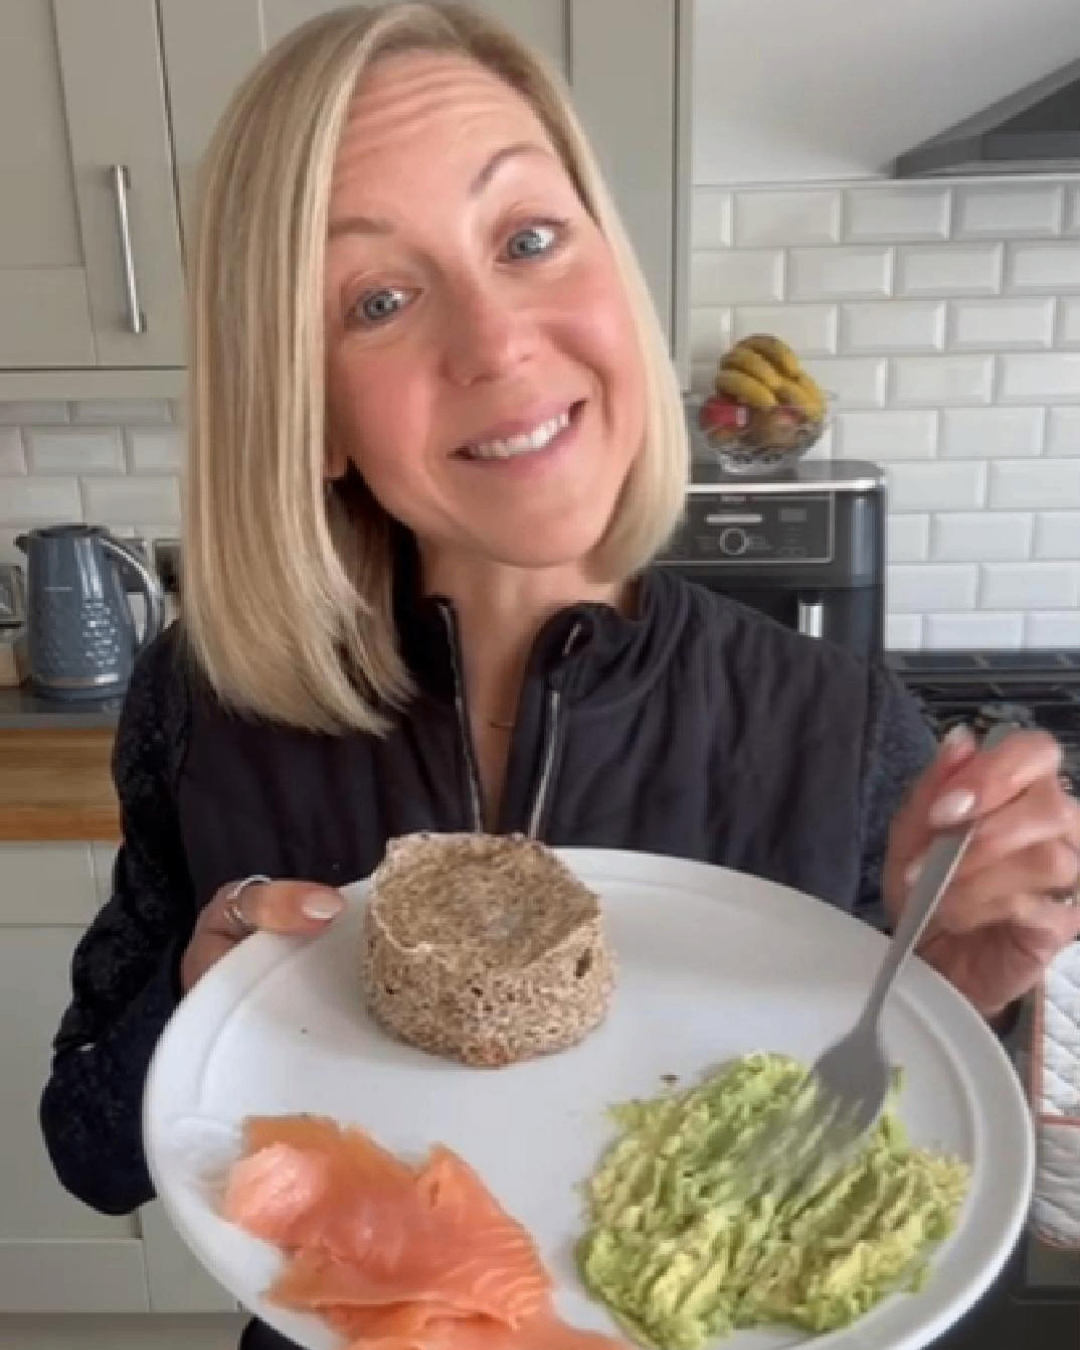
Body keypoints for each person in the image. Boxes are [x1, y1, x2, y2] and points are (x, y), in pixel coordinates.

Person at [39, 4, 1079, 1348]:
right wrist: (198, 996)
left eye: (528, 237)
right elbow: (91, 1151)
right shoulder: (209, 701)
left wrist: (950, 998)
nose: (496, 343)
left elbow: (896, 1238)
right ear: (310, 409)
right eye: (378, 299)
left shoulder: (837, 723)